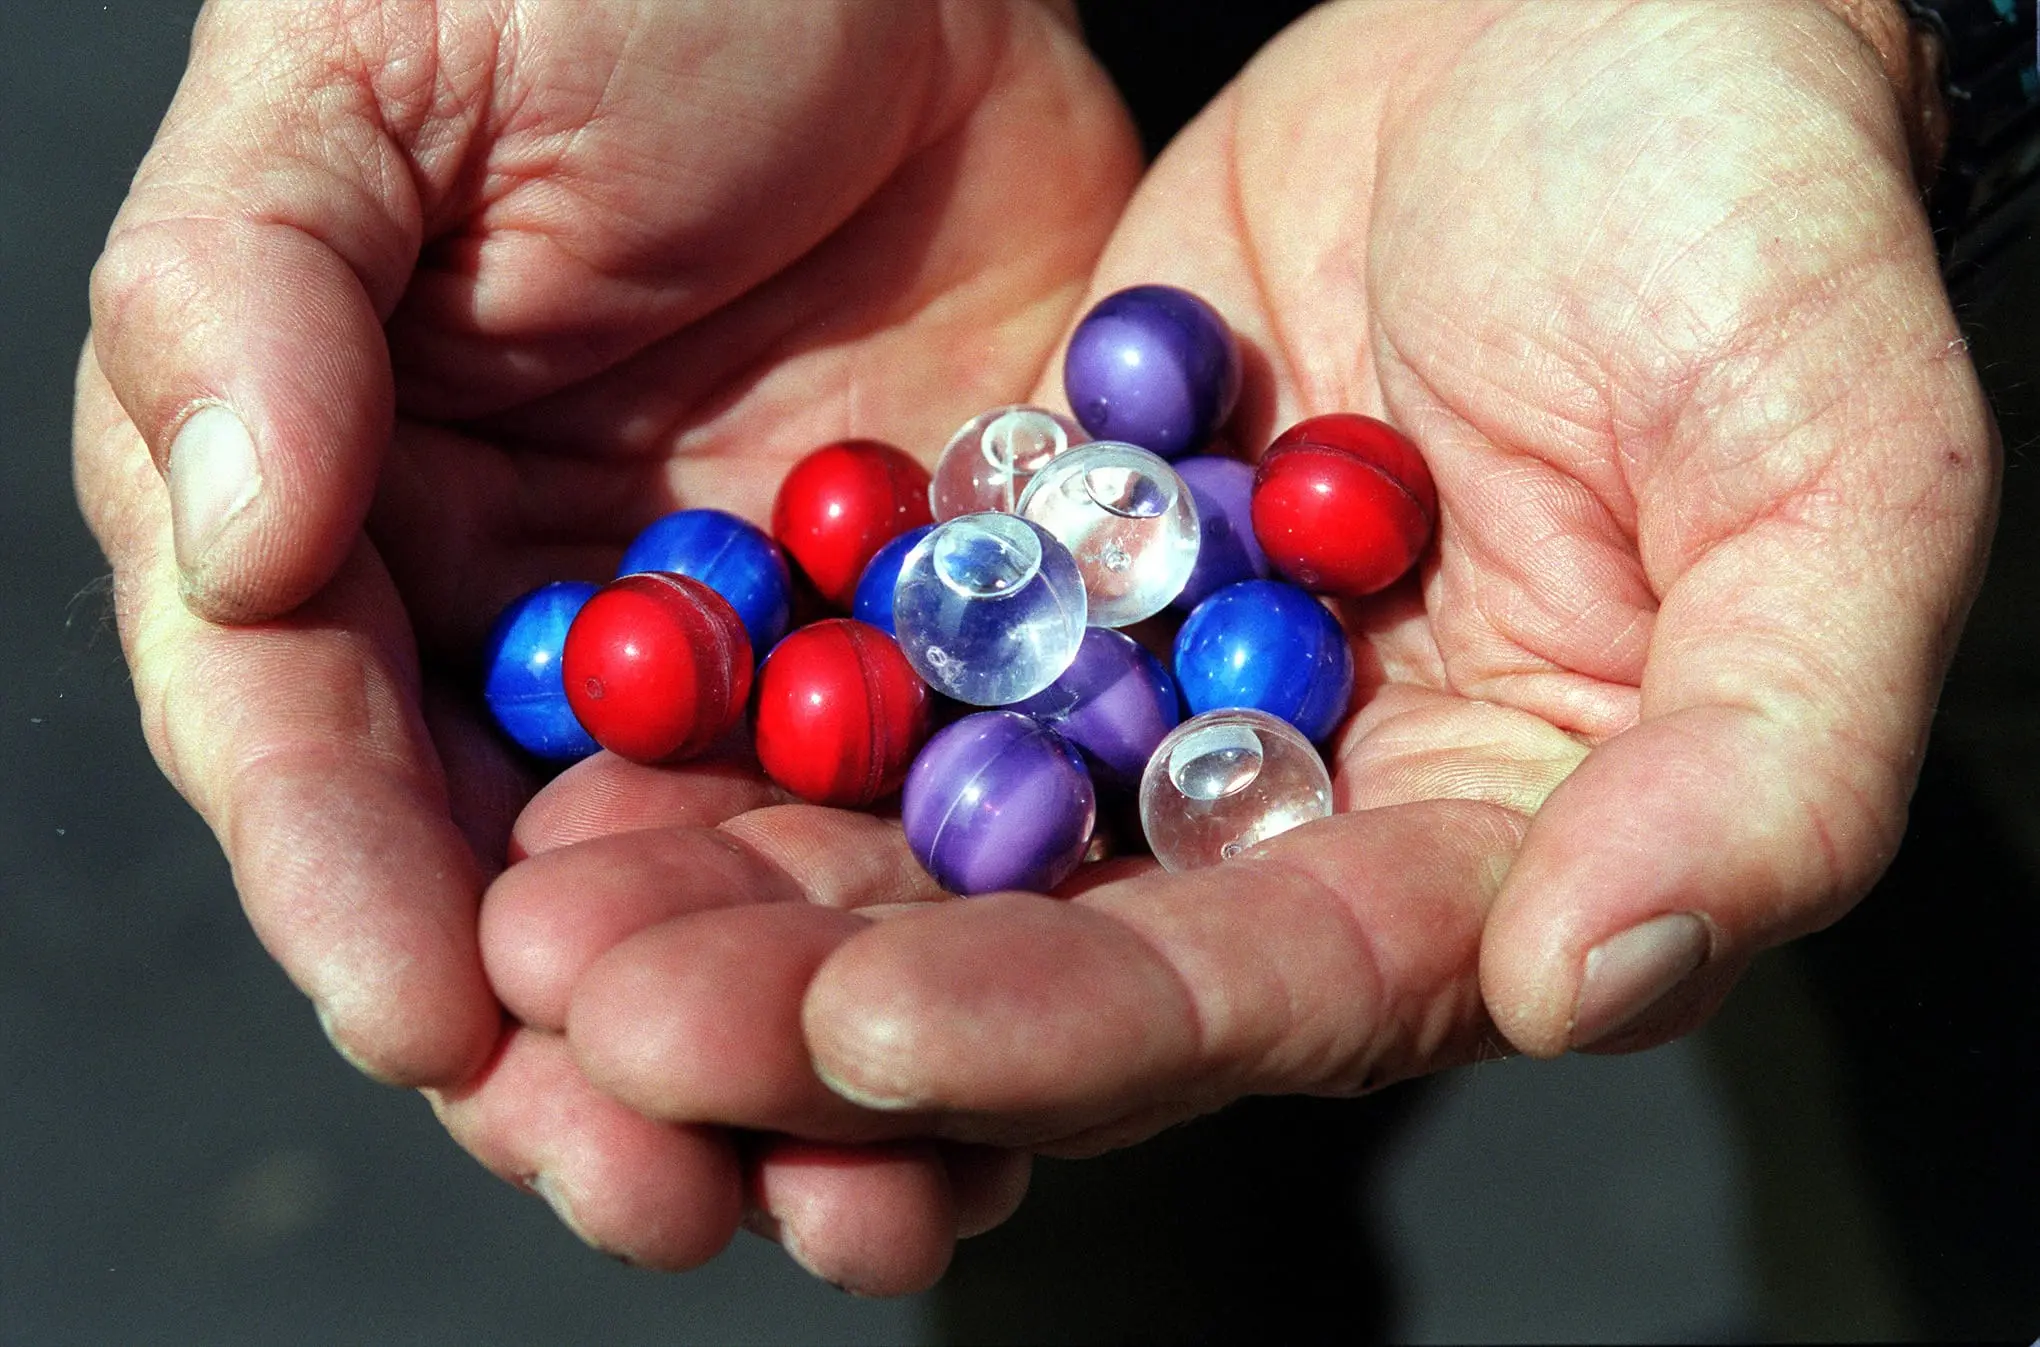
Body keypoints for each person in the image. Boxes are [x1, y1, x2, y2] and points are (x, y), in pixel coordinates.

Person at [75, 0, 1998, 1299]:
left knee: (1945, 1108)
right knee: (1058, 1165)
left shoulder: (1172, 584)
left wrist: (1889, 16)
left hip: (1866, 283)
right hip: (956, 99)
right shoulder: (932, 600)